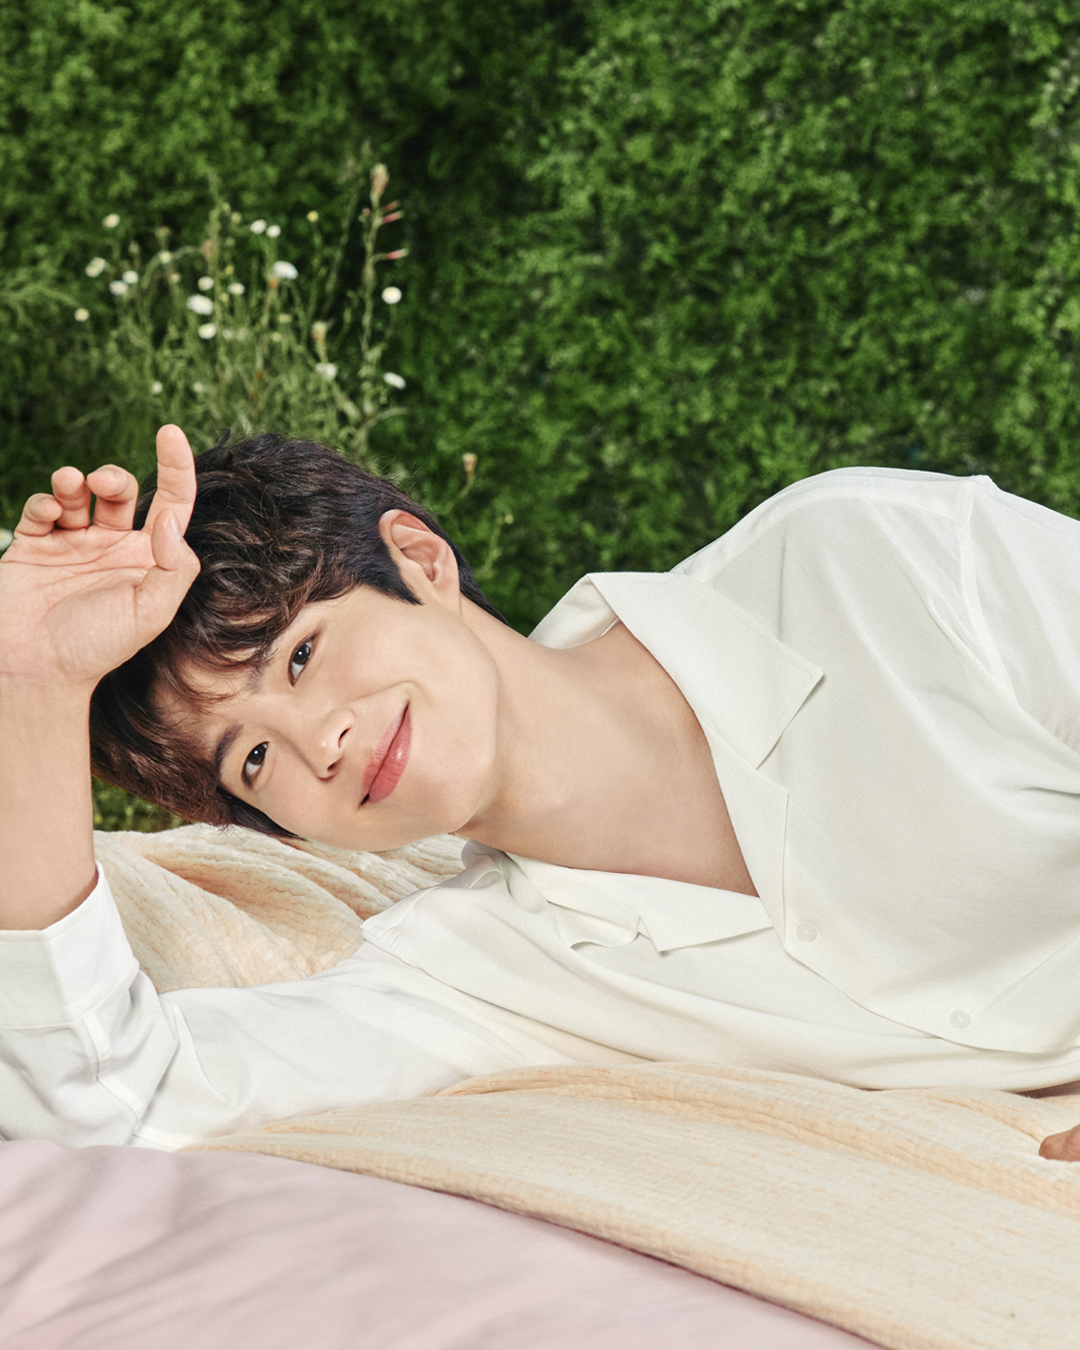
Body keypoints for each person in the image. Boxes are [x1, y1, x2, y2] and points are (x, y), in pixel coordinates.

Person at [2, 425, 1080, 1160]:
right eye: (251, 761)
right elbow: (115, 1106)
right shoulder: (473, 979)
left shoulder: (862, 559)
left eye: (301, 655)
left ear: (418, 559)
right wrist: (31, 687)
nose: (316, 741)